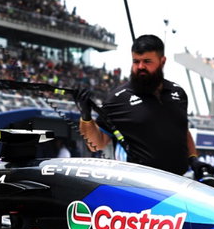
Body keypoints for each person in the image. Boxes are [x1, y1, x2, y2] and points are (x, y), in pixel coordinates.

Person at [77, 34, 197, 176]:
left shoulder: (178, 93)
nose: (140, 67)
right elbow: (96, 144)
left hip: (177, 181)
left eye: (147, 61)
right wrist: (86, 117)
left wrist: (193, 159)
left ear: (162, 61)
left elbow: (182, 130)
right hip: (136, 182)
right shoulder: (118, 98)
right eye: (136, 61)